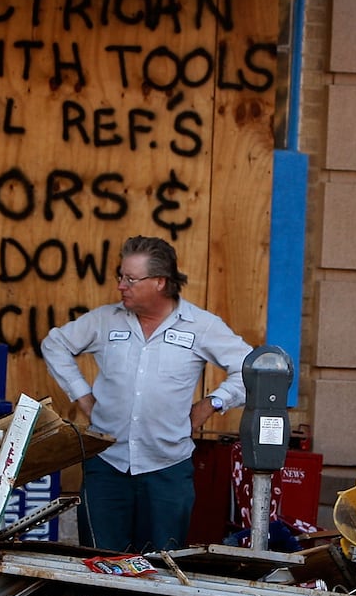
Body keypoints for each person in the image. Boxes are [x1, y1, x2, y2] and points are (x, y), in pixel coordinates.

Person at [41, 235, 252, 552]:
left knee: (159, 570)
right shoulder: (104, 320)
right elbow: (54, 345)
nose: (121, 286)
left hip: (167, 468)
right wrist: (82, 396)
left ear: (159, 283)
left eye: (130, 279)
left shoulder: (201, 326)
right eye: (120, 276)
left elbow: (252, 370)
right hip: (106, 465)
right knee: (101, 567)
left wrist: (213, 403)